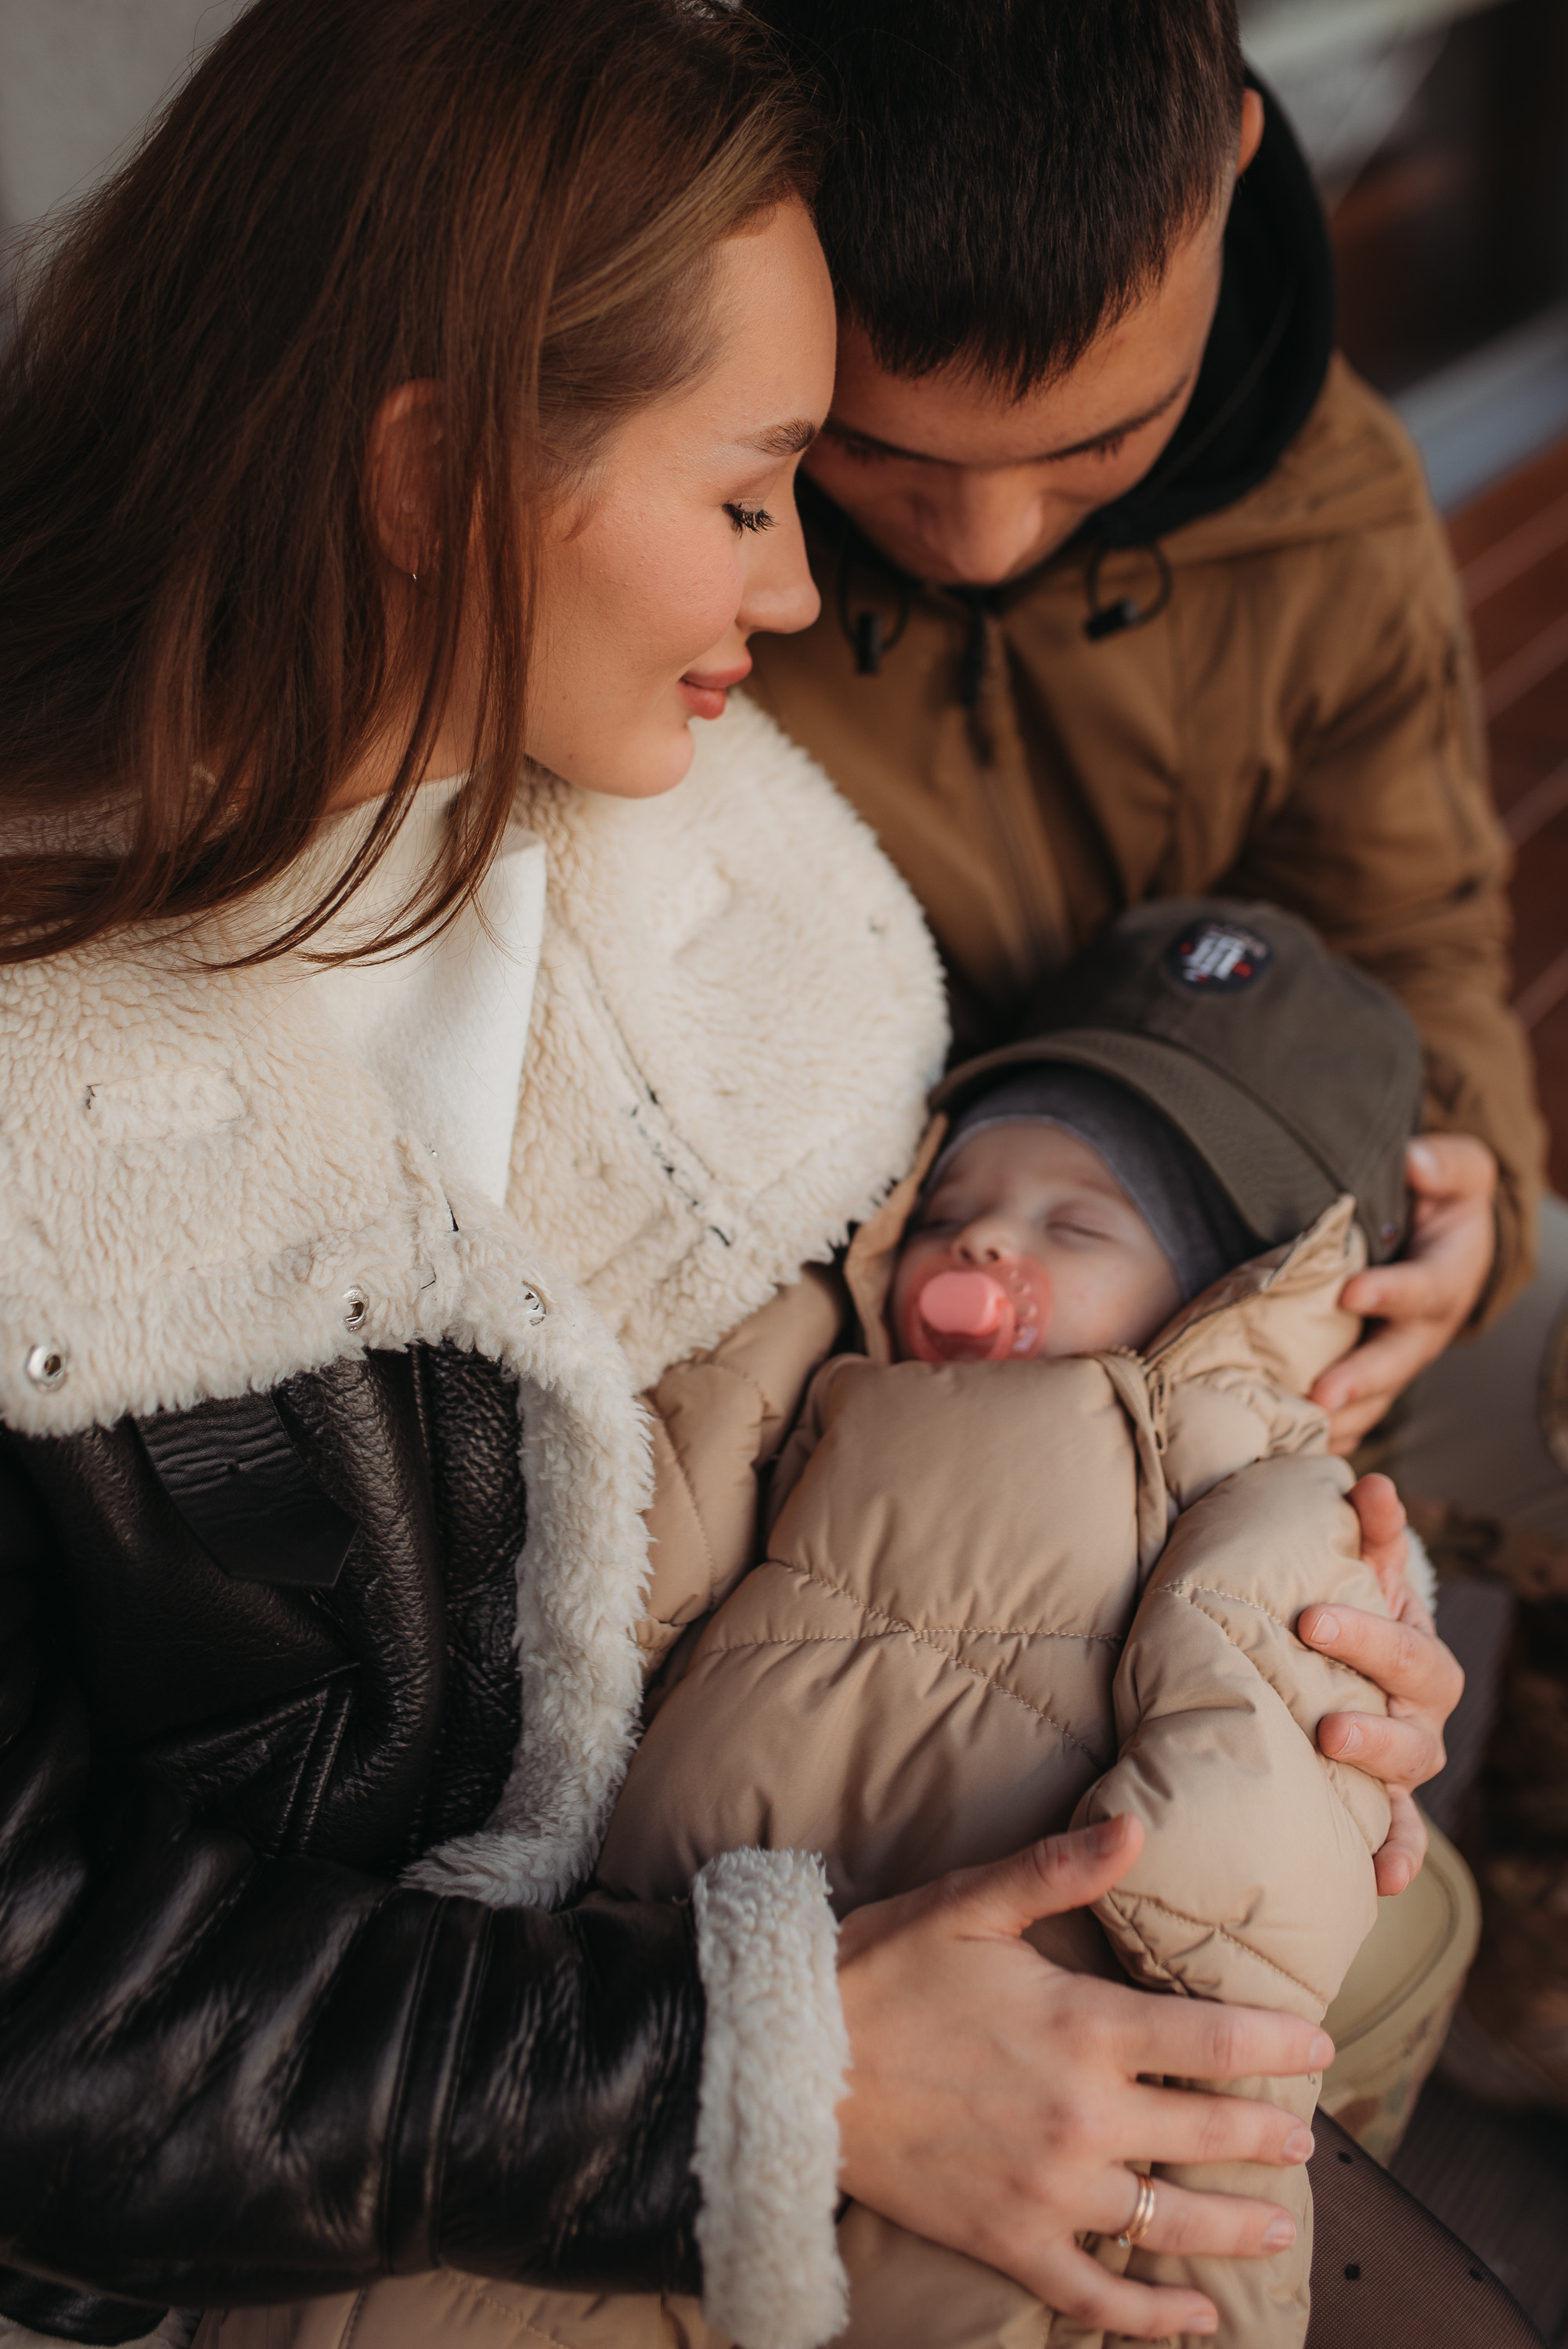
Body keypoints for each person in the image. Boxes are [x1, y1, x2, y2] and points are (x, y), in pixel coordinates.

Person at [0, 7, 1471, 2349]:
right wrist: (765, 2077)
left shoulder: (751, 906)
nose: (803, 594)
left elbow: (880, 1461)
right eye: (760, 483)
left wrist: (1255, 1609)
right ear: (433, 478)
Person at [742, 0, 1562, 2106]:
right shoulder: (704, 514)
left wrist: (1456, 1181)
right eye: (882, 457)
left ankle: (1529, 1816)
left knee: (1549, 1312)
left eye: (1092, 450)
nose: (989, 536)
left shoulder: (1335, 495)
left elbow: (1411, 930)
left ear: (1232, 176)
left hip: (1242, 1172)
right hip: (924, 1305)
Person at [595, 900, 1446, 2348]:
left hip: (1011, 2079)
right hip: (650, 1998)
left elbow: (1223, 1925)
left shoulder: (1241, 1497)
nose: (984, 1234)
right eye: (948, 1205)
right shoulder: (810, 1374)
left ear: (1242, 1293)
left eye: (1081, 1223)